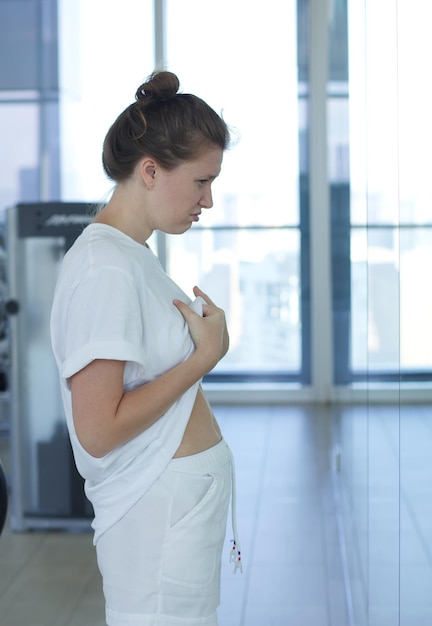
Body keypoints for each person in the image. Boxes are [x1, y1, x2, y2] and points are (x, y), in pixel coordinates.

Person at [50, 70, 241, 626]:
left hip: (172, 515)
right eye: (202, 181)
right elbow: (99, 429)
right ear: (150, 171)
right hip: (155, 520)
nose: (209, 200)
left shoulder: (130, 256)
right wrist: (203, 358)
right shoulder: (105, 267)